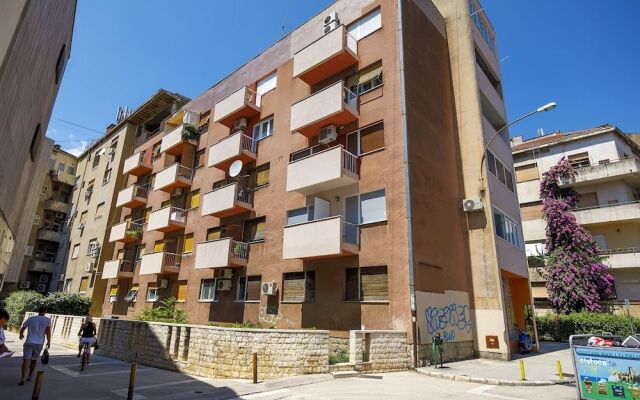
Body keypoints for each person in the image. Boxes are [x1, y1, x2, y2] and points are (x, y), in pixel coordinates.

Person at [18, 306, 51, 385]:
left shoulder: (31, 319)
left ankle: (23, 378)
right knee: (34, 360)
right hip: (39, 343)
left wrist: (21, 335)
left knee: (26, 360)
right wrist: (49, 341)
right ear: (45, 311)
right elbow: (48, 331)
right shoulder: (47, 320)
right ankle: (29, 375)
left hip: (29, 342)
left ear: (38, 311)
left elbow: (23, 327)